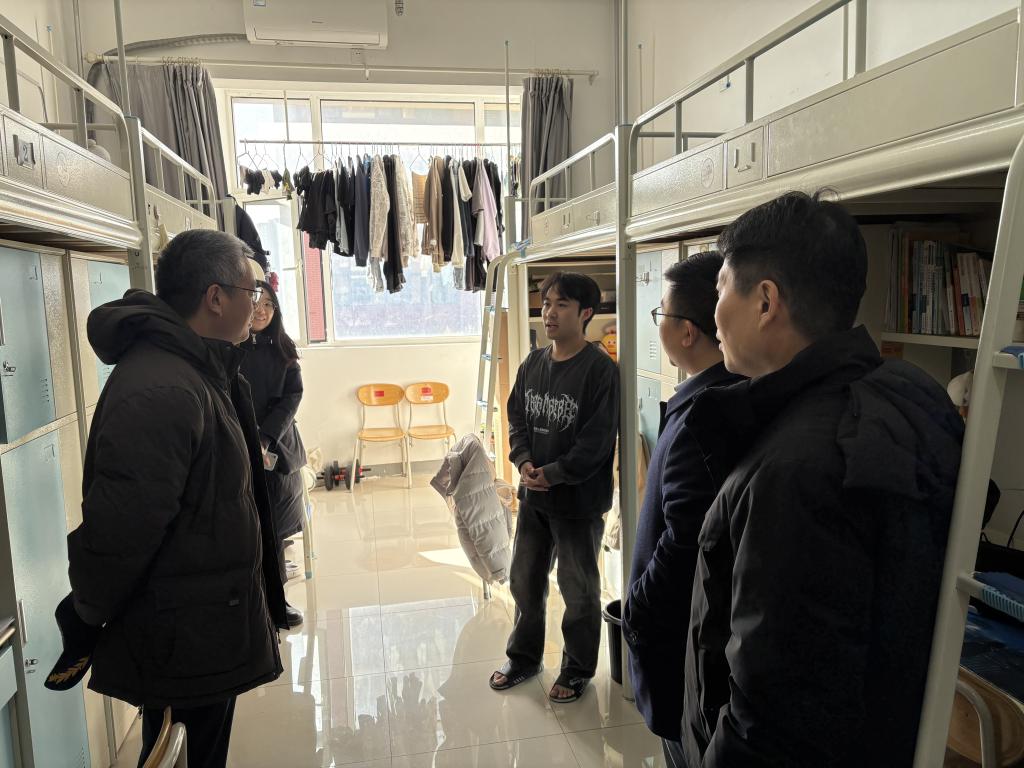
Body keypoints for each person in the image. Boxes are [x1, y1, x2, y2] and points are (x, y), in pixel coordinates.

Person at [680, 192, 964, 766]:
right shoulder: (909, 393)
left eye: (721, 291)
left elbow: (772, 719)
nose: (713, 316)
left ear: (766, 302)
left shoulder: (797, 472)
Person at [66, 229, 288, 768]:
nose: (258, 304)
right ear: (215, 298)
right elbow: (121, 531)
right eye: (251, 290)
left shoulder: (194, 371)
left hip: (200, 622)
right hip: (182, 634)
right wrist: (85, 614)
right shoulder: (165, 389)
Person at [622, 252, 744, 767]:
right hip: (692, 638)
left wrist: (637, 611)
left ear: (688, 331)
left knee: (683, 746)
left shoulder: (702, 417)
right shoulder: (725, 394)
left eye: (661, 314)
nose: (659, 324)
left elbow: (685, 539)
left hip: (679, 642)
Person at [490, 272, 620, 703]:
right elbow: (517, 418)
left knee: (578, 589)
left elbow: (596, 442)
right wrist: (524, 461)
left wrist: (555, 473)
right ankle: (524, 658)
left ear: (585, 313)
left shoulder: (600, 371)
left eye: (562, 304)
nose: (549, 312)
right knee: (525, 580)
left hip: (578, 502)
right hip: (534, 498)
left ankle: (578, 668)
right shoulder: (533, 364)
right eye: (546, 303)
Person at [241, 281, 306, 629]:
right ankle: (253, 604)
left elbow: (292, 398)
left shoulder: (283, 349)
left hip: (278, 449)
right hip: (239, 446)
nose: (261, 310)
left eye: (268, 304)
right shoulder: (228, 349)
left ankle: (277, 601)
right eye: (256, 302)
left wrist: (265, 437)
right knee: (248, 531)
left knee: (276, 532)